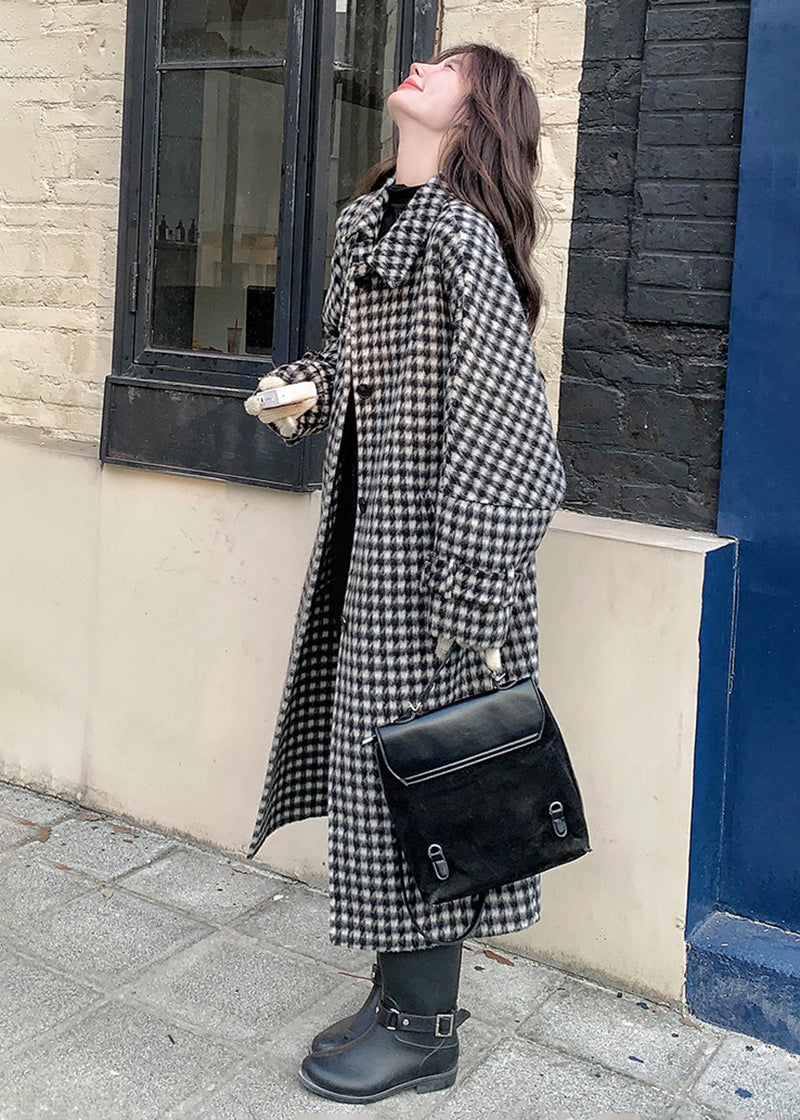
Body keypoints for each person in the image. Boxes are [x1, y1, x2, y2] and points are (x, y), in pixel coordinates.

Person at [244, 42, 567, 1104]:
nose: (423, 63)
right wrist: (301, 387)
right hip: (369, 554)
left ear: (475, 120)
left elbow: (513, 436)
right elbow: (351, 363)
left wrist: (466, 596)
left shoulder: (461, 240)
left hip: (443, 581)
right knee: (384, 782)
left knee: (427, 787)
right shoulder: (365, 224)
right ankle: (398, 998)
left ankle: (426, 1031)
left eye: (451, 66)